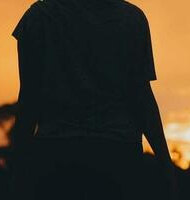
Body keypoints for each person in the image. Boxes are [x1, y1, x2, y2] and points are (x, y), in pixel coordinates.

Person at [9, 0, 179, 199]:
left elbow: (29, 101)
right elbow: (141, 99)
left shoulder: (38, 18)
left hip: (57, 154)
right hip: (118, 155)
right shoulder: (131, 19)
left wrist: (17, 170)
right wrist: (165, 165)